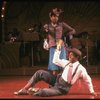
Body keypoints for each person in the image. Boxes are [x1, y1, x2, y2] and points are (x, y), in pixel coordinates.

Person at [14, 47, 97, 97]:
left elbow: (88, 80)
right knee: (39, 72)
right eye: (69, 54)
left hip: (62, 89)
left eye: (71, 55)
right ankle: (25, 89)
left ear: (77, 57)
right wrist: (58, 49)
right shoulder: (66, 62)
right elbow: (55, 60)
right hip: (56, 80)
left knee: (43, 92)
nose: (69, 56)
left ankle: (35, 91)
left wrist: (92, 91)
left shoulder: (81, 69)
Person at [43, 8, 76, 77]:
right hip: (52, 47)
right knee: (54, 68)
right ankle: (54, 83)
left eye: (57, 16)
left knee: (62, 66)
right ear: (50, 17)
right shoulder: (47, 26)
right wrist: (45, 32)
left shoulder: (62, 24)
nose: (56, 18)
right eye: (54, 16)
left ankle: (61, 82)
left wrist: (65, 34)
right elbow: (45, 35)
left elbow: (73, 30)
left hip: (61, 47)